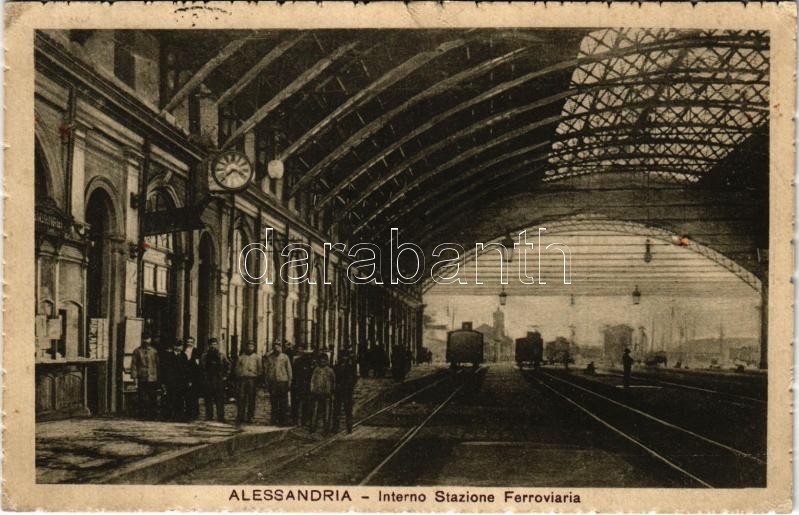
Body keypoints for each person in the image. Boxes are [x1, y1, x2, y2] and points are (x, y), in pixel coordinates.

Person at [201, 338, 230, 422]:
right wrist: (203, 377)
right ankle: (209, 416)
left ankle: (221, 416)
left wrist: (225, 376)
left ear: (217, 345)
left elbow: (228, 366)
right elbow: (202, 368)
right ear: (209, 346)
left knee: (220, 399)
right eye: (211, 344)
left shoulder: (222, 355)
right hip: (208, 379)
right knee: (208, 399)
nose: (213, 346)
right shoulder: (204, 356)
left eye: (215, 344)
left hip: (218, 379)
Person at [130, 335, 159, 420]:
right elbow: (134, 365)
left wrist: (158, 377)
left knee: (152, 396)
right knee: (142, 397)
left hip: (152, 377)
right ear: (142, 340)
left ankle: (153, 415)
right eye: (144, 339)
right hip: (142, 377)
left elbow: (157, 365)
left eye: (148, 339)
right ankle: (142, 415)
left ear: (150, 340)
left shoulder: (154, 351)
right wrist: (134, 377)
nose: (146, 341)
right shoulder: (137, 351)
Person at [264, 341, 292, 426]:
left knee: (283, 402)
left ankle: (283, 420)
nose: (277, 348)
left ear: (281, 347)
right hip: (273, 382)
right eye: (275, 346)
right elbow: (267, 370)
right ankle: (274, 419)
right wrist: (267, 381)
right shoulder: (270, 357)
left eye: (278, 346)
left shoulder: (285, 357)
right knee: (274, 401)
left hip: (283, 381)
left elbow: (289, 370)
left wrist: (289, 381)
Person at [234, 341, 262, 423]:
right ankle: (240, 415)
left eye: (252, 346)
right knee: (241, 398)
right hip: (242, 380)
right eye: (249, 346)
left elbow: (260, 369)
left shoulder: (257, 358)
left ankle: (250, 416)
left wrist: (256, 376)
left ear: (254, 348)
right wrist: (239, 375)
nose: (250, 348)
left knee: (251, 398)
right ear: (246, 347)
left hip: (252, 380)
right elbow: (236, 368)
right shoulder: (241, 357)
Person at [332, 350, 358, 434]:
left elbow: (354, 378)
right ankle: (335, 427)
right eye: (342, 357)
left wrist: (350, 386)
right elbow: (333, 378)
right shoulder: (336, 367)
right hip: (338, 391)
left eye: (345, 357)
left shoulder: (351, 367)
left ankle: (349, 427)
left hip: (347, 391)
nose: (344, 358)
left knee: (348, 410)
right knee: (337, 410)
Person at [309, 354, 335, 434]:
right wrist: (312, 390)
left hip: (327, 394)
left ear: (326, 361)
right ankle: (313, 428)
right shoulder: (316, 370)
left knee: (326, 412)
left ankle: (326, 429)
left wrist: (332, 392)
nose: (322, 362)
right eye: (321, 360)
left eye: (324, 360)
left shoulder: (330, 371)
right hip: (317, 393)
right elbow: (312, 381)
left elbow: (333, 382)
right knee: (315, 411)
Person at [160, 341, 185, 420]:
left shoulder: (183, 356)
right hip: (170, 381)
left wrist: (186, 380)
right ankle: (168, 415)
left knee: (180, 398)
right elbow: (164, 369)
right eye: (177, 346)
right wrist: (163, 382)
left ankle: (179, 416)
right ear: (174, 346)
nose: (178, 348)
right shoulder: (168, 356)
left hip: (180, 381)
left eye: (180, 346)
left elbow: (186, 369)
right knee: (169, 398)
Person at [291, 344, 313, 427]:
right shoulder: (295, 361)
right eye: (298, 349)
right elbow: (293, 373)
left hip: (305, 385)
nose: (300, 351)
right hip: (297, 384)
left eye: (301, 349)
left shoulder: (308, 361)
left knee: (305, 404)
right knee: (296, 403)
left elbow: (310, 374)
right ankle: (295, 420)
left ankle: (304, 420)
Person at [182, 337, 202, 420]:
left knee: (194, 396)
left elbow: (198, 366)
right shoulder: (183, 352)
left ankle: (195, 413)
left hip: (194, 377)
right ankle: (187, 413)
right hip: (185, 377)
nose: (189, 343)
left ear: (193, 343)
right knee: (187, 396)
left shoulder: (197, 352)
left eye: (191, 342)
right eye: (188, 342)